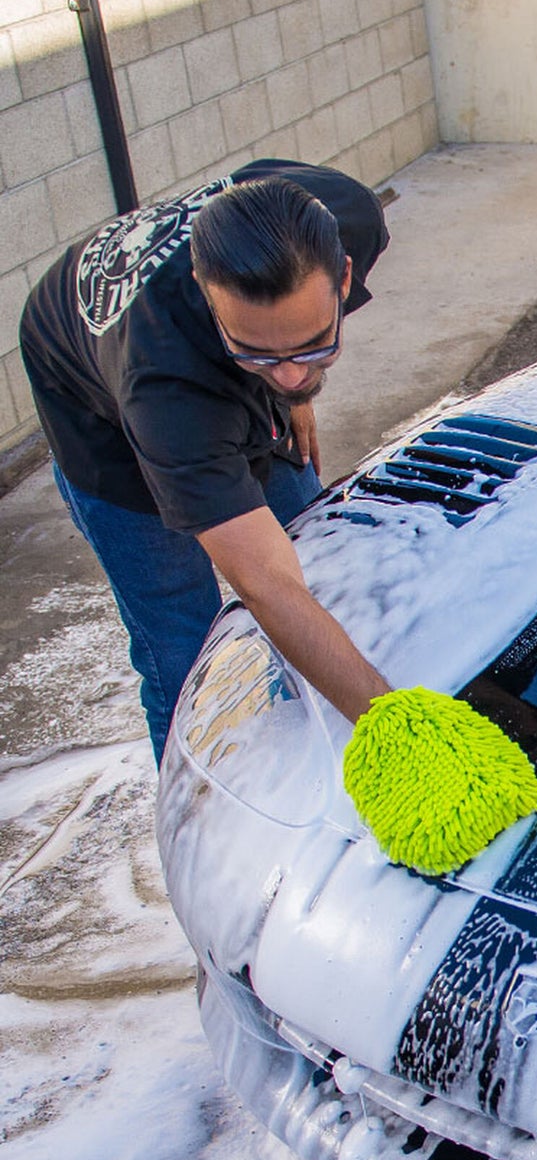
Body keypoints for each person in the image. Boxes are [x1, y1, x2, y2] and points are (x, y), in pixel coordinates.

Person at [19, 160, 393, 764]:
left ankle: (313, 745)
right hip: (99, 422)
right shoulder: (167, 394)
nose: (294, 370)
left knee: (323, 568)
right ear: (203, 287)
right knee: (184, 645)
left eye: (312, 342)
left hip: (203, 373)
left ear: (343, 273)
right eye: (261, 352)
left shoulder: (340, 214)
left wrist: (286, 389)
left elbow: (254, 177)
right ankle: (196, 824)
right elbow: (266, 584)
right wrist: (395, 726)